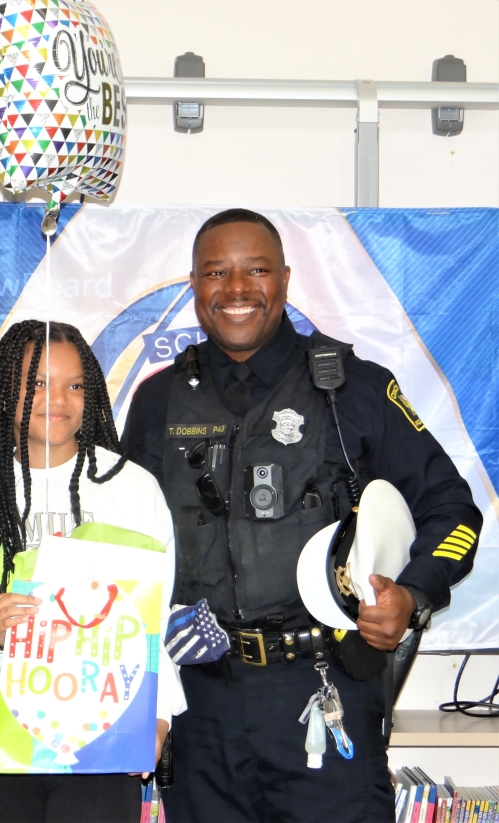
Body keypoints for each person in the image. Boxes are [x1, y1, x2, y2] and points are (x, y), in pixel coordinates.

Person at [120, 209, 482, 823]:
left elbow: (454, 510)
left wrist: (413, 594)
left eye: (256, 270)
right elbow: (123, 540)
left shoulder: (355, 389)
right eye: (217, 272)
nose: (236, 289)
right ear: (194, 285)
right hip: (201, 706)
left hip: (323, 686)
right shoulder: (158, 401)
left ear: (285, 279)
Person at [0, 320, 186, 823]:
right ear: (4, 391)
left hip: (104, 736)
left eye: (75, 384)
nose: (57, 398)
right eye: (36, 382)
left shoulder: (132, 487)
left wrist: (158, 715)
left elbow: (157, 616)